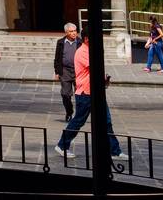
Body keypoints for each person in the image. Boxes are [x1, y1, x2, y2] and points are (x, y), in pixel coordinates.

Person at [55, 33, 127, 162]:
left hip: (95, 91)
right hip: (85, 93)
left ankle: (115, 151)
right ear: (87, 38)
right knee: (78, 121)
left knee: (106, 122)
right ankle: (62, 145)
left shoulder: (89, 50)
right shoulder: (82, 51)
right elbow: (95, 67)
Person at [52, 22, 80, 121]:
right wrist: (57, 72)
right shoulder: (60, 42)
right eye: (71, 31)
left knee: (80, 95)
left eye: (75, 31)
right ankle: (69, 112)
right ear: (66, 32)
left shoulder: (80, 42)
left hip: (78, 72)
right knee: (65, 94)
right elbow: (57, 58)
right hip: (65, 71)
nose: (74, 33)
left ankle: (79, 115)